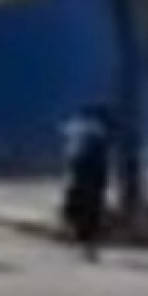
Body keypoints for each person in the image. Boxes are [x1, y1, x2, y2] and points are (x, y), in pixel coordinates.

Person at [59, 103, 115, 258]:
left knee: (74, 200)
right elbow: (106, 146)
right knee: (92, 205)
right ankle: (88, 242)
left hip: (77, 169)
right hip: (93, 171)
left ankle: (73, 232)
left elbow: (68, 146)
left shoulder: (74, 126)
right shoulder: (99, 129)